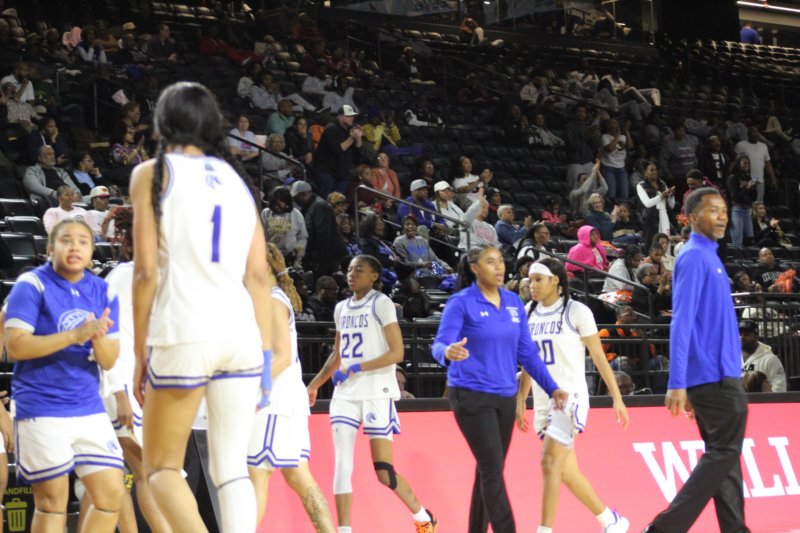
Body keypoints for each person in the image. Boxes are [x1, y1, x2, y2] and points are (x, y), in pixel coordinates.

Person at [129, 82, 273, 533]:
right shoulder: (237, 180)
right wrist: (267, 355)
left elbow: (145, 272)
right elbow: (258, 275)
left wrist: (139, 351)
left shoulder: (152, 174)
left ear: (161, 123)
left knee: (161, 469)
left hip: (184, 329)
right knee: (231, 470)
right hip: (242, 335)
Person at [432, 244, 567, 533]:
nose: (499, 267)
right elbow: (439, 344)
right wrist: (447, 352)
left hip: (505, 396)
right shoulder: (461, 302)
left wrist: (552, 388)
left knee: (488, 470)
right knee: (492, 469)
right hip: (470, 394)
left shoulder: (513, 302)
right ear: (475, 268)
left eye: (501, 261)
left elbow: (527, 351)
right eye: (490, 262)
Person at [5, 219, 125, 532]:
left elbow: (109, 360)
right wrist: (75, 335)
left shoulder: (104, 290)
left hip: (88, 406)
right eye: (67, 240)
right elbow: (15, 346)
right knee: (51, 503)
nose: (75, 247)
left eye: (83, 241)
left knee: (111, 496)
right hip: (41, 406)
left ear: (91, 250)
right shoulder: (31, 284)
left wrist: (97, 337)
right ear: (50, 248)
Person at [643, 188, 750, 533]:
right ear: (691, 218)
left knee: (725, 460)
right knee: (724, 453)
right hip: (714, 377)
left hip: (715, 376)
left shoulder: (709, 256)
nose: (722, 216)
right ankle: (663, 529)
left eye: (724, 210)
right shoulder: (692, 256)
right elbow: (681, 320)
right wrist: (678, 382)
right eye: (713, 210)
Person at [306, 255, 439, 533]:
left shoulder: (381, 303)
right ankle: (344, 530)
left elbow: (397, 353)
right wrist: (315, 384)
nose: (352, 273)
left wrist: (356, 367)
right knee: (342, 463)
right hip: (345, 395)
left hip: (377, 391)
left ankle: (423, 517)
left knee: (384, 472)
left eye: (359, 269)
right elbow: (337, 354)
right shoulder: (341, 308)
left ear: (374, 275)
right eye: (350, 269)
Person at [517, 257, 630, 533]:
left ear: (555, 280)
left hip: (570, 398)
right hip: (543, 401)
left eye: (538, 279)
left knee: (549, 462)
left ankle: (544, 530)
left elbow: (599, 357)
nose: (532, 285)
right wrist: (521, 399)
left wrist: (617, 397)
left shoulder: (577, 311)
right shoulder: (528, 312)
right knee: (566, 471)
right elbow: (529, 361)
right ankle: (611, 521)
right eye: (530, 280)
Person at [91, 207, 171, 532]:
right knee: (144, 472)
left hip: (138, 386)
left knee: (137, 473)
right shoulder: (124, 276)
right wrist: (119, 392)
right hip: (119, 384)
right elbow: (107, 338)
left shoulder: (156, 276)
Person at [248, 243, 336, 530]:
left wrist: (252, 390)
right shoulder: (271, 299)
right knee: (299, 477)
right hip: (287, 400)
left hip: (272, 401)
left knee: (256, 475)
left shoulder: (273, 302)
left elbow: (282, 357)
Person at [313, 105, 362, 197]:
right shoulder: (331, 129)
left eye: (352, 116)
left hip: (342, 173)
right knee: (325, 199)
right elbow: (338, 150)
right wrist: (352, 138)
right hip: (327, 171)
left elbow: (357, 151)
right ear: (339, 116)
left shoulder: (350, 129)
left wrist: (358, 138)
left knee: (338, 201)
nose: (352, 118)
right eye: (348, 116)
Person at [636, 161, 675, 251]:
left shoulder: (662, 184)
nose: (655, 172)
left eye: (656, 170)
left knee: (665, 242)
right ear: (645, 172)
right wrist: (661, 196)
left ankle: (666, 259)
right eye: (651, 170)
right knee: (652, 244)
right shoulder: (641, 185)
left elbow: (671, 206)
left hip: (664, 216)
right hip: (650, 219)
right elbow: (647, 203)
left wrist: (671, 195)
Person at [739, 319, 786, 392]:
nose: (741, 337)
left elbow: (780, 388)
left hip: (760, 399)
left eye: (746, 334)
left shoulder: (770, 359)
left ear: (756, 337)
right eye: (739, 334)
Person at [726, 155, 757, 247]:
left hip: (747, 210)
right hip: (736, 210)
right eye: (744, 163)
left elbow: (754, 198)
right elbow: (735, 198)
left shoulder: (748, 178)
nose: (747, 165)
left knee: (750, 240)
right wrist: (746, 188)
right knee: (737, 242)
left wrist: (753, 188)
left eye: (748, 163)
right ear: (738, 164)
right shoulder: (732, 178)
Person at [600, 117, 632, 200]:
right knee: (611, 195)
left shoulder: (623, 137)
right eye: (609, 124)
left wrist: (627, 131)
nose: (611, 125)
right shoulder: (605, 137)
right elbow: (610, 149)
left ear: (618, 125)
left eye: (614, 123)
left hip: (621, 168)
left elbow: (630, 146)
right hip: (608, 168)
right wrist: (617, 135)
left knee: (624, 195)